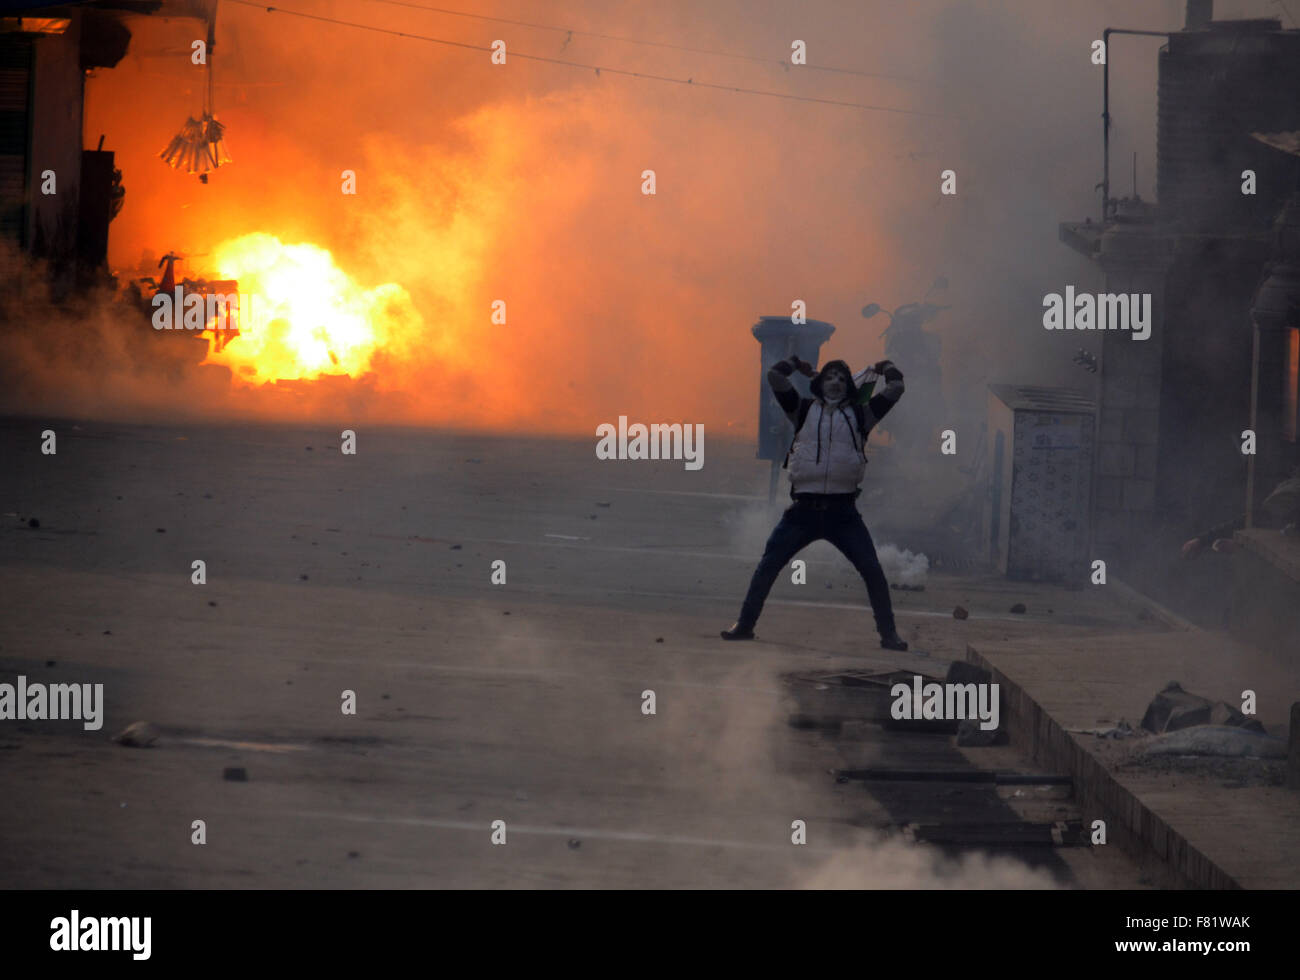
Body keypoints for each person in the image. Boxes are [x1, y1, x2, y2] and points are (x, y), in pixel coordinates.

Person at [722, 355, 910, 650]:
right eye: (830, 376)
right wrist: (795, 362)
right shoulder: (802, 410)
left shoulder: (863, 416)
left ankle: (889, 635)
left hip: (843, 514)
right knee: (768, 566)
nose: (835, 382)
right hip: (803, 512)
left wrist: (885, 366)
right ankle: (744, 625)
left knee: (872, 570)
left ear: (850, 387)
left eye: (842, 378)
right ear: (819, 384)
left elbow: (896, 387)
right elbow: (775, 377)